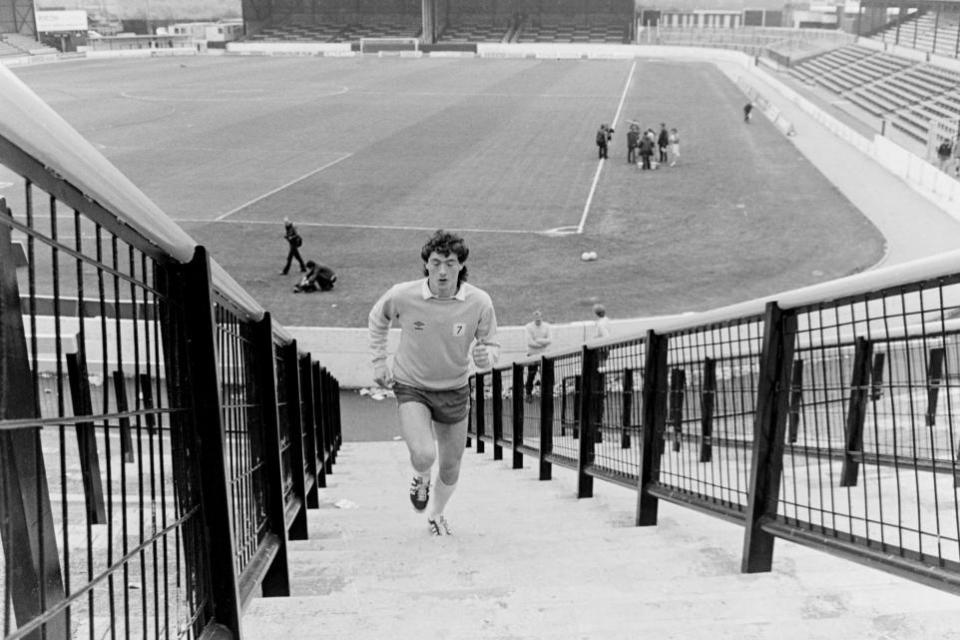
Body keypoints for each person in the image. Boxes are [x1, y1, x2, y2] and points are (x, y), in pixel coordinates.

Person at [368, 229, 498, 537]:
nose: (442, 271)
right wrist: (378, 361)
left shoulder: (479, 302)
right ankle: (421, 476)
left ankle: (436, 514)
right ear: (426, 264)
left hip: (454, 388)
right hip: (412, 385)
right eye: (436, 262)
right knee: (425, 454)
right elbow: (378, 318)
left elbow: (491, 344)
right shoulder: (403, 294)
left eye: (450, 263)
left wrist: (486, 357)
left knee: (451, 465)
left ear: (461, 265)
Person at [523, 309, 552, 401]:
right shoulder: (528, 327)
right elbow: (529, 342)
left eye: (539, 319)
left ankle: (546, 394)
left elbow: (550, 340)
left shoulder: (547, 326)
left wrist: (538, 340)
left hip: (544, 355)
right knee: (531, 375)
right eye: (536, 319)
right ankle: (528, 394)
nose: (538, 321)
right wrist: (543, 343)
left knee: (546, 375)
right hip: (533, 354)